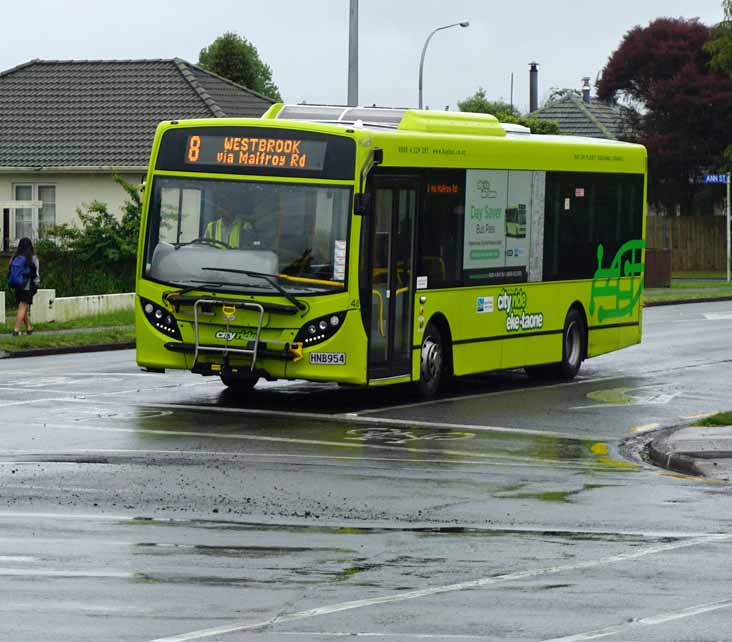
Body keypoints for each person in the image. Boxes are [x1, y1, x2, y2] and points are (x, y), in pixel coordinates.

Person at [8, 237, 40, 336]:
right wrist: (37, 283)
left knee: (24, 307)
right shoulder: (32, 258)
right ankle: (16, 330)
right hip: (27, 286)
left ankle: (29, 328)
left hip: (17, 285)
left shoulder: (15, 257)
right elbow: (36, 274)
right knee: (23, 307)